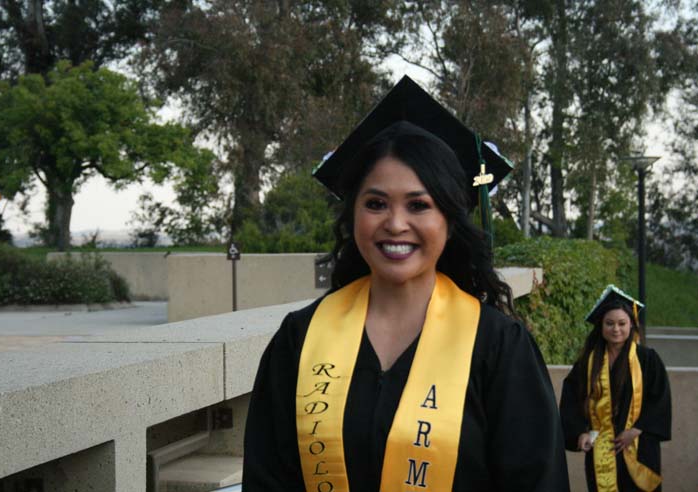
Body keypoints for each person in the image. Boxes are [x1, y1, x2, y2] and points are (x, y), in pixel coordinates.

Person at [242, 76, 570, 492]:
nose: (395, 224)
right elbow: (267, 480)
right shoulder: (300, 340)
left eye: (419, 205)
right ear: (353, 216)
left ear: (449, 221)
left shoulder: (496, 347)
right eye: (375, 203)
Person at [560, 285, 671, 492]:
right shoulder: (588, 362)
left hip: (638, 447)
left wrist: (638, 430)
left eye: (622, 323)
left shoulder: (647, 360)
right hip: (601, 447)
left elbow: (660, 399)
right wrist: (580, 433)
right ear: (601, 326)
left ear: (631, 325)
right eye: (609, 323)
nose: (616, 329)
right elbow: (572, 399)